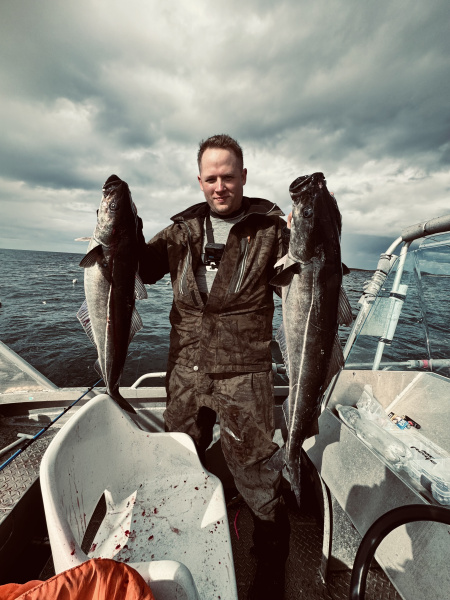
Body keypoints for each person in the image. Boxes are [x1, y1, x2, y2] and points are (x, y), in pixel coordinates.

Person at [138, 134, 291, 599]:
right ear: (199, 180)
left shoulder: (272, 230)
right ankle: (181, 541)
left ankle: (270, 572)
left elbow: (307, 274)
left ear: (243, 176)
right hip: (187, 368)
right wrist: (122, 230)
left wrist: (306, 233)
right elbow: (141, 269)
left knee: (258, 472)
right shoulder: (181, 230)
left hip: (245, 373)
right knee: (178, 458)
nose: (219, 186)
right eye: (211, 178)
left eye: (228, 176)